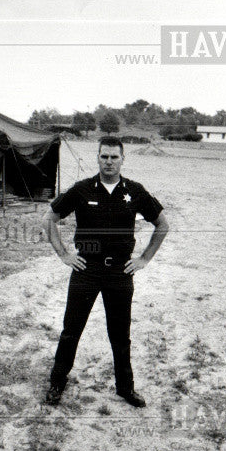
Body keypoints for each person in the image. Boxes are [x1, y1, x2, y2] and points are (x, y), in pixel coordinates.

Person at [43, 136, 169, 408]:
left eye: (114, 157)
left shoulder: (134, 191)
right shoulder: (82, 190)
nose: (109, 161)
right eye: (104, 156)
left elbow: (162, 224)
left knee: (120, 334)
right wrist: (64, 254)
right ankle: (57, 381)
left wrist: (144, 259)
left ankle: (125, 388)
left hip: (120, 273)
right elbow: (49, 218)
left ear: (123, 159)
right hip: (86, 269)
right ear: (98, 158)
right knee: (71, 330)